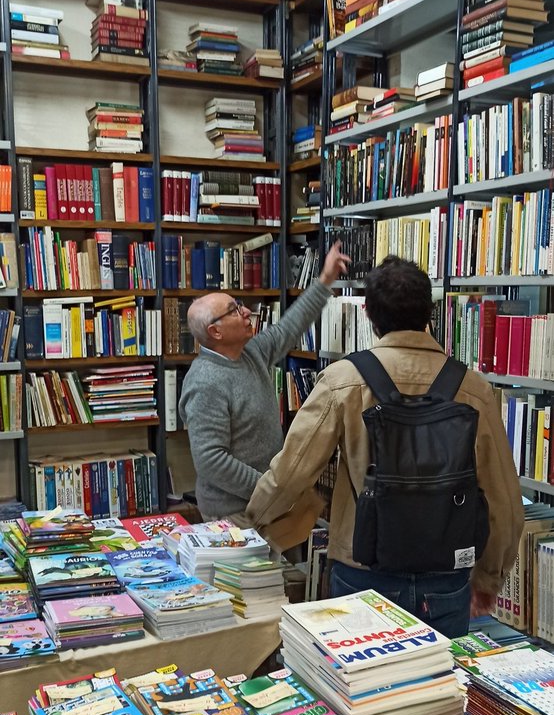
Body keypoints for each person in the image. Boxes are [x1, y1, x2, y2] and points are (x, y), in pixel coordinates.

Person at [247, 255, 524, 637]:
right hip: (446, 579)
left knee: (359, 691)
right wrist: (488, 578)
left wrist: (252, 523)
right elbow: (505, 503)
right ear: (430, 311)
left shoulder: (342, 380)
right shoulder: (473, 387)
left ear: (368, 314)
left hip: (362, 573)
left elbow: (290, 474)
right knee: (440, 692)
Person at [180, 242, 350, 521]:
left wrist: (325, 280)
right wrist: (268, 488)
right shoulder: (206, 382)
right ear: (215, 331)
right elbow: (211, 461)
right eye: (234, 310)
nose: (246, 312)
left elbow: (290, 327)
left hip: (268, 504)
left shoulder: (251, 352)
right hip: (234, 515)